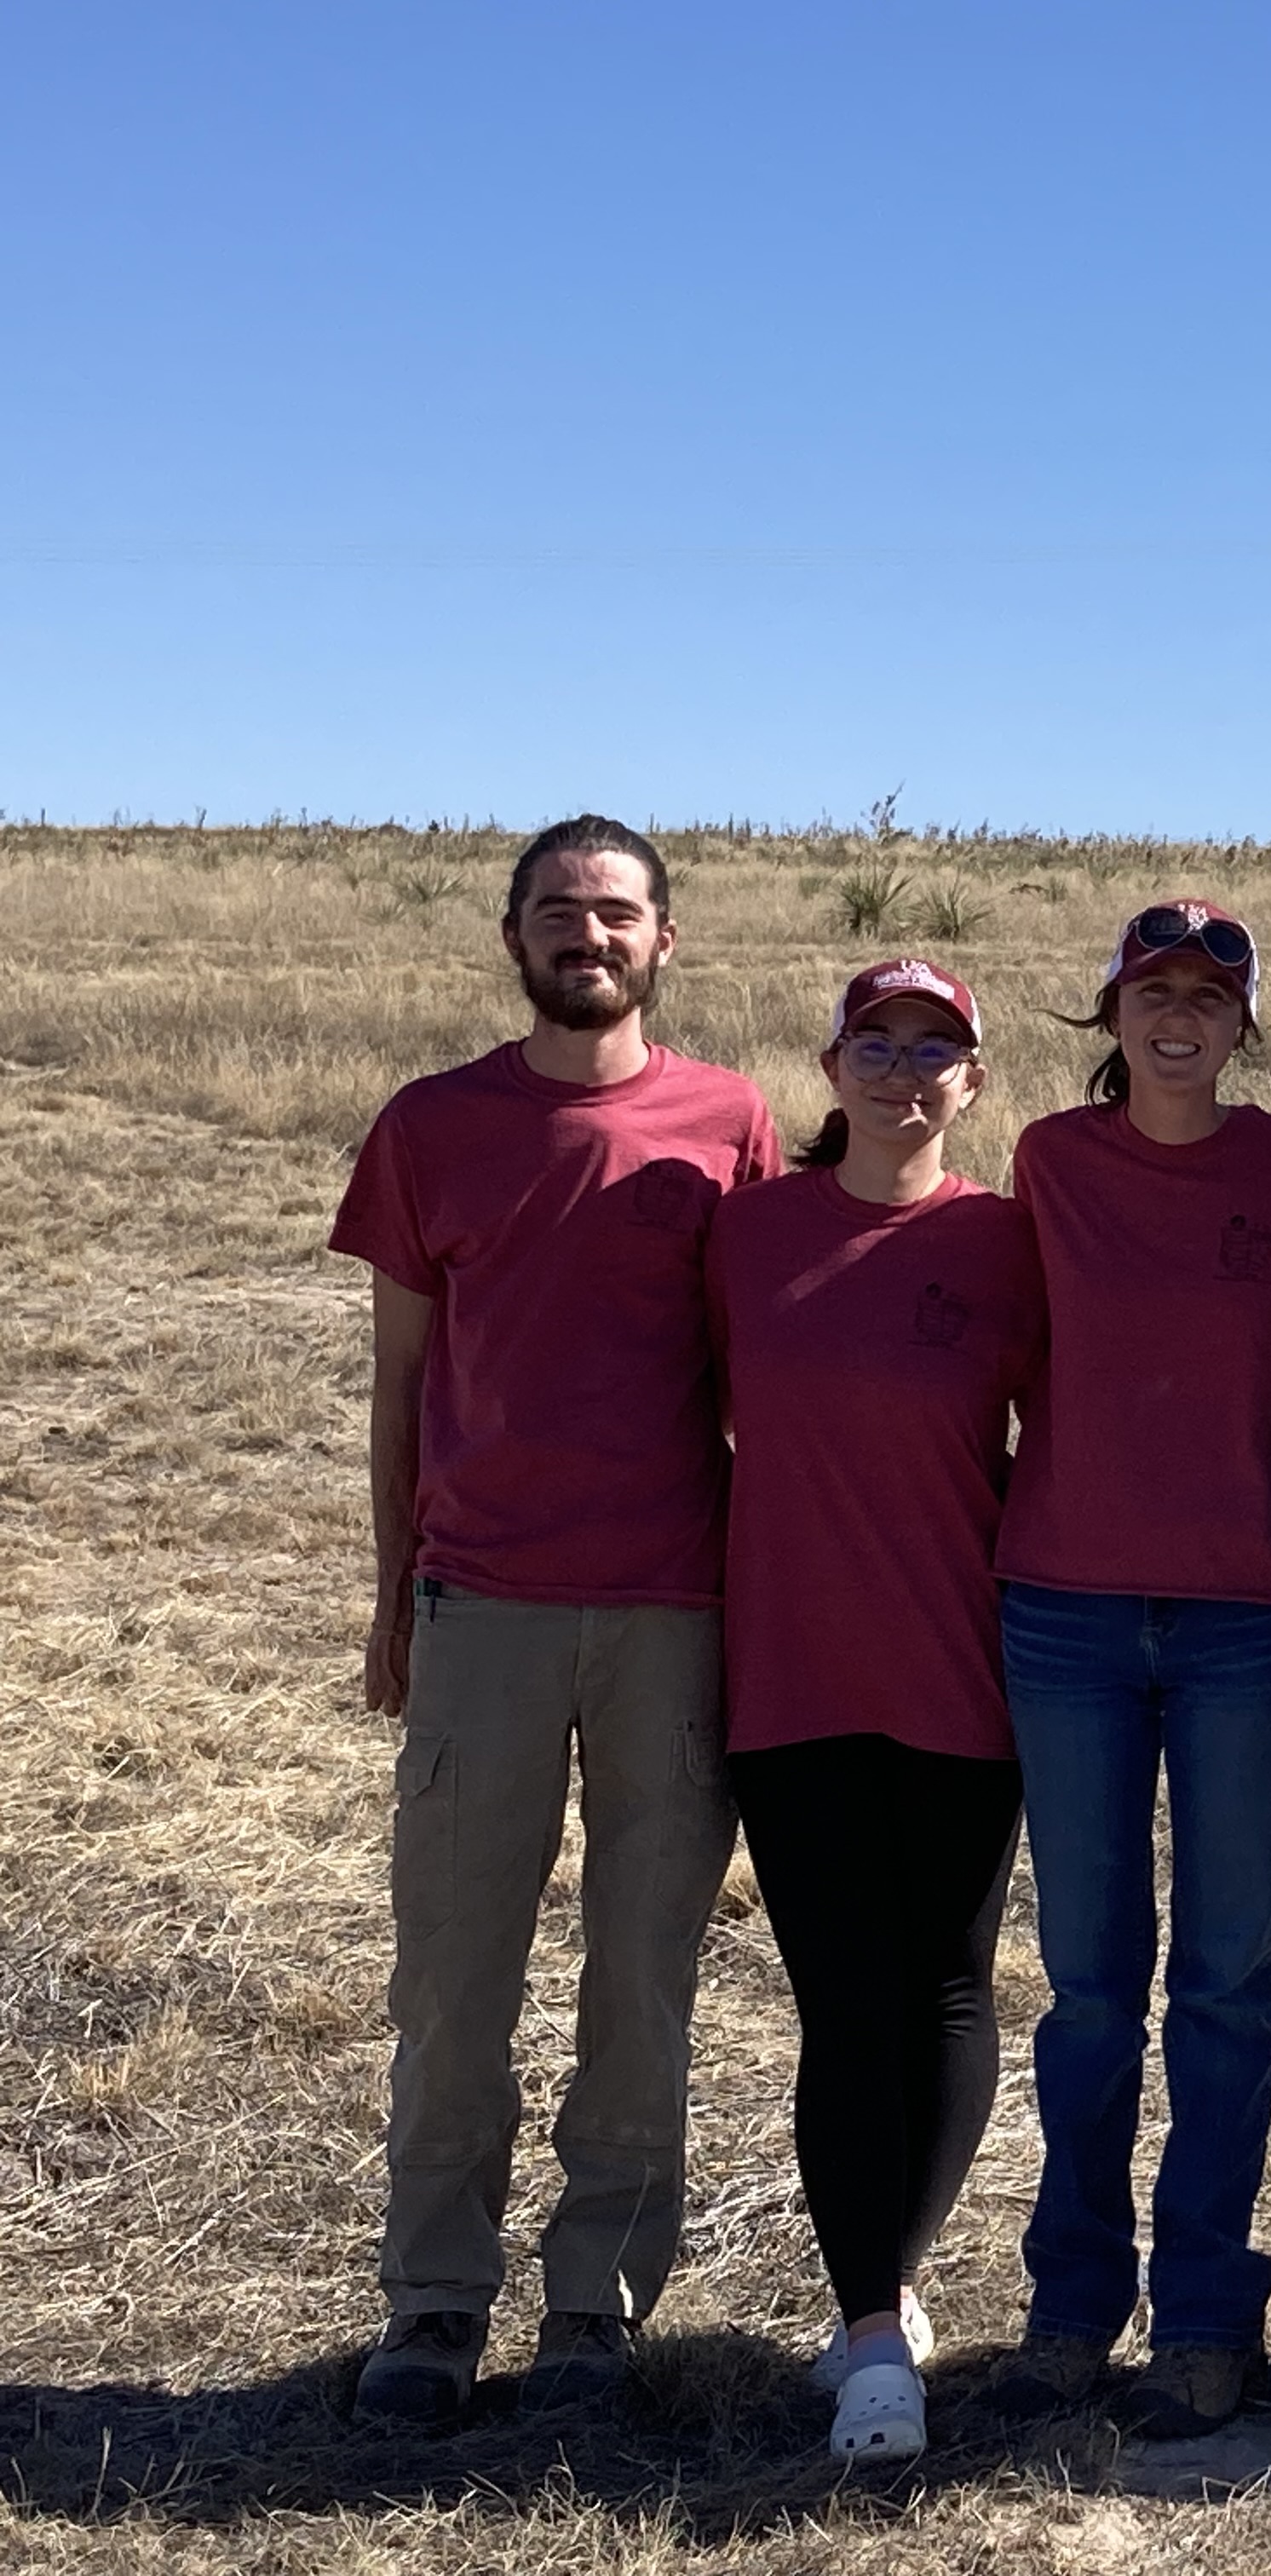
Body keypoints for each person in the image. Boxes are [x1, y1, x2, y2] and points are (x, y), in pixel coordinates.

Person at [329, 817, 777, 2428]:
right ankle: (436, 2302)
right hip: (487, 1610)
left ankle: (598, 2303)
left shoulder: (732, 1126)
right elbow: (394, 1386)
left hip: (674, 1608)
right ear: (511, 937)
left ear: (667, 943)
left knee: (640, 1973)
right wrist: (393, 1598)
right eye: (558, 911)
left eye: (617, 912)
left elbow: (762, 1382)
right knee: (456, 1974)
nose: (587, 935)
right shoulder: (431, 1128)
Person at [986, 901, 1271, 2441]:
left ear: (1243, 1025)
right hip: (1067, 1609)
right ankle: (1071, 2306)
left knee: (1226, 1982)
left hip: (1248, 1614)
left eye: (1212, 996)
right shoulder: (1047, 1165)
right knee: (1087, 1988)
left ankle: (1206, 2315)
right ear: (1113, 1012)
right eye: (1154, 990)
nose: (1180, 1017)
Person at [706, 958, 1042, 2466]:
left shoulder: (1010, 1246)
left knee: (950, 1993)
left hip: (964, 1666)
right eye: (880, 1044)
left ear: (973, 1083)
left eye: (938, 1050)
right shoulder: (745, 1234)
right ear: (830, 1066)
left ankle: (890, 2283)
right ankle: (871, 2331)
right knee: (842, 2002)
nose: (908, 1070)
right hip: (789, 1672)